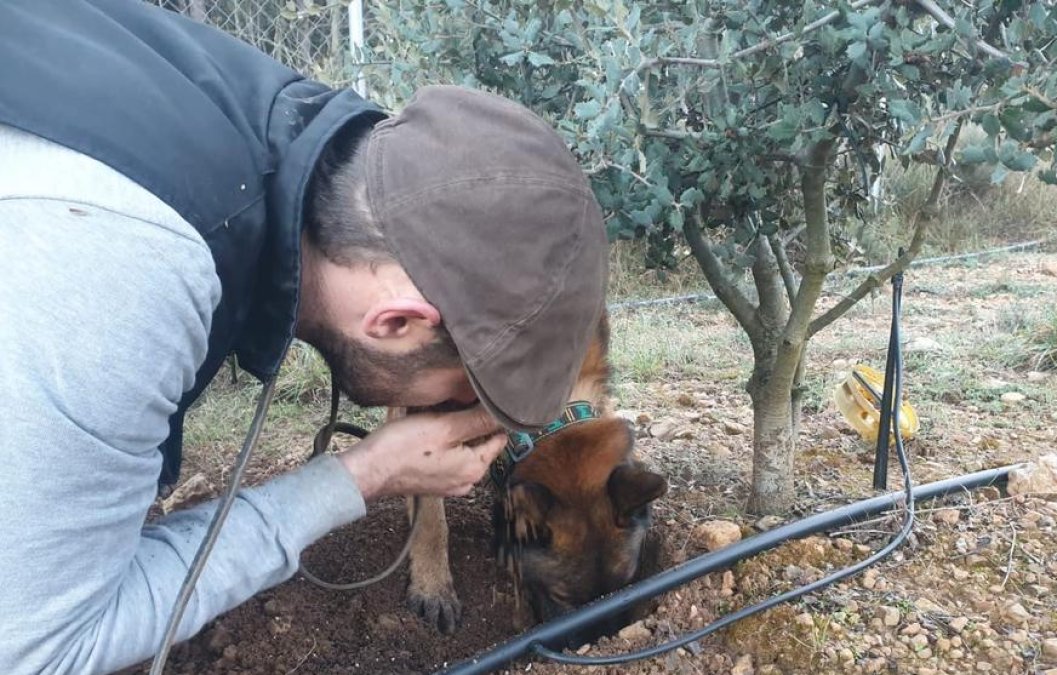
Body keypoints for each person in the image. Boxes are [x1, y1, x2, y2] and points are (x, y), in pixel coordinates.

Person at [0, 0, 609, 673]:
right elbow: (41, 646)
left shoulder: (267, 130)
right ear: (399, 321)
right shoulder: (129, 262)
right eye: (464, 394)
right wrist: (363, 472)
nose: (462, 416)